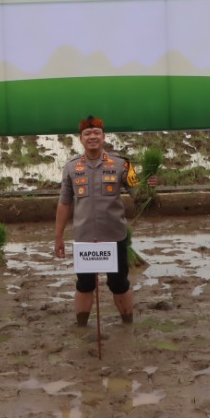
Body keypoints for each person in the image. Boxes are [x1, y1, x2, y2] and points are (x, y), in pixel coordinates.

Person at [54, 116, 142, 326]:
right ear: (81, 139)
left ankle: (127, 324)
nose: (92, 137)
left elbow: (139, 194)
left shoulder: (122, 164)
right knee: (84, 284)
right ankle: (82, 326)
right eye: (87, 134)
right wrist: (58, 237)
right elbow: (64, 204)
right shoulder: (71, 168)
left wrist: (150, 185)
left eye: (96, 133)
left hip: (114, 237)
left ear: (103, 137)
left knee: (119, 283)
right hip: (85, 237)